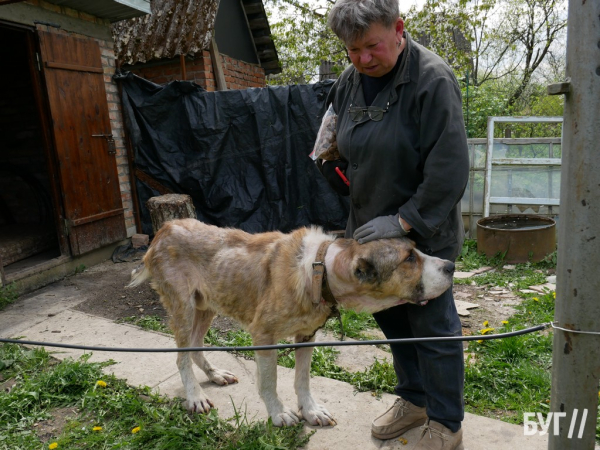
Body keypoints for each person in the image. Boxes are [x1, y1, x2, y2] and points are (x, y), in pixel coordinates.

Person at [320, 1, 470, 449]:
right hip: (368, 233)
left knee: (432, 327)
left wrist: (404, 219)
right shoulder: (350, 82)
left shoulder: (432, 81)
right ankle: (414, 399)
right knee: (392, 319)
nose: (363, 59)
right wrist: (329, 161)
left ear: (398, 29)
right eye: (352, 50)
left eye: (372, 46)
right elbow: (332, 137)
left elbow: (450, 169)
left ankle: (446, 424)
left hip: (421, 231)